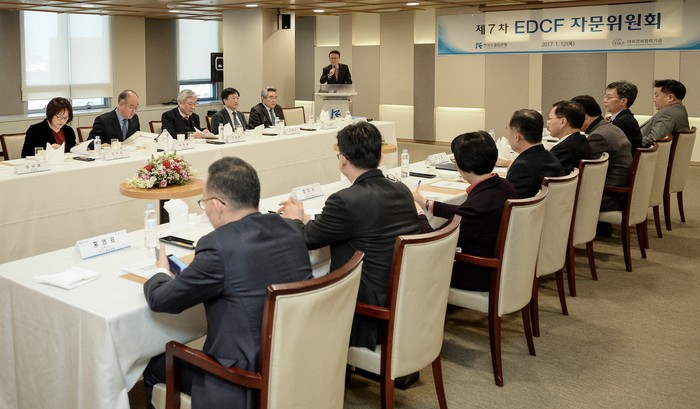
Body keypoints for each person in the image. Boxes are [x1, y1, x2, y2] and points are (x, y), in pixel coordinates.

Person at [142, 157, 313, 409]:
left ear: (218, 204)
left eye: (204, 203)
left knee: (154, 366)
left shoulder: (217, 246)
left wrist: (161, 272)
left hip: (240, 380)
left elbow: (161, 300)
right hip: (295, 362)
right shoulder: (291, 229)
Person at [277, 122, 419, 351]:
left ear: (343, 160)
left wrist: (294, 219)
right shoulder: (402, 190)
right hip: (402, 297)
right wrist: (305, 218)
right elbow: (354, 223)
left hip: (364, 310)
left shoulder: (344, 200)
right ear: (380, 157)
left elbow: (307, 239)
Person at [413, 132, 517, 292]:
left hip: (478, 274)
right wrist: (427, 203)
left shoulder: (476, 206)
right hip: (505, 268)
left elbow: (433, 242)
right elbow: (464, 214)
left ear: (463, 165)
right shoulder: (504, 186)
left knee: (410, 265)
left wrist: (419, 213)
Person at [572, 95, 632, 212]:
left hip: (610, 196)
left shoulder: (598, 136)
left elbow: (589, 174)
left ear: (584, 116)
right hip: (619, 190)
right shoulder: (608, 127)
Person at [501, 109, 565, 198]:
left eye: (507, 129)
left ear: (517, 136)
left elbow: (510, 203)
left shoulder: (522, 167)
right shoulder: (551, 158)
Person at [640, 79, 690, 147]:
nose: (654, 100)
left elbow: (654, 140)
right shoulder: (680, 110)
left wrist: (628, 145)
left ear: (670, 97)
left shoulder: (667, 114)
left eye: (656, 96)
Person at [547, 100, 593, 174]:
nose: (548, 123)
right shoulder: (582, 140)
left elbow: (546, 174)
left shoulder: (563, 149)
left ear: (563, 122)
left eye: (550, 119)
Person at [604, 80, 642, 154]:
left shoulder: (622, 122)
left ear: (623, 101)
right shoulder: (625, 117)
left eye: (609, 97)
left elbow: (603, 142)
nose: (605, 100)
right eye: (605, 97)